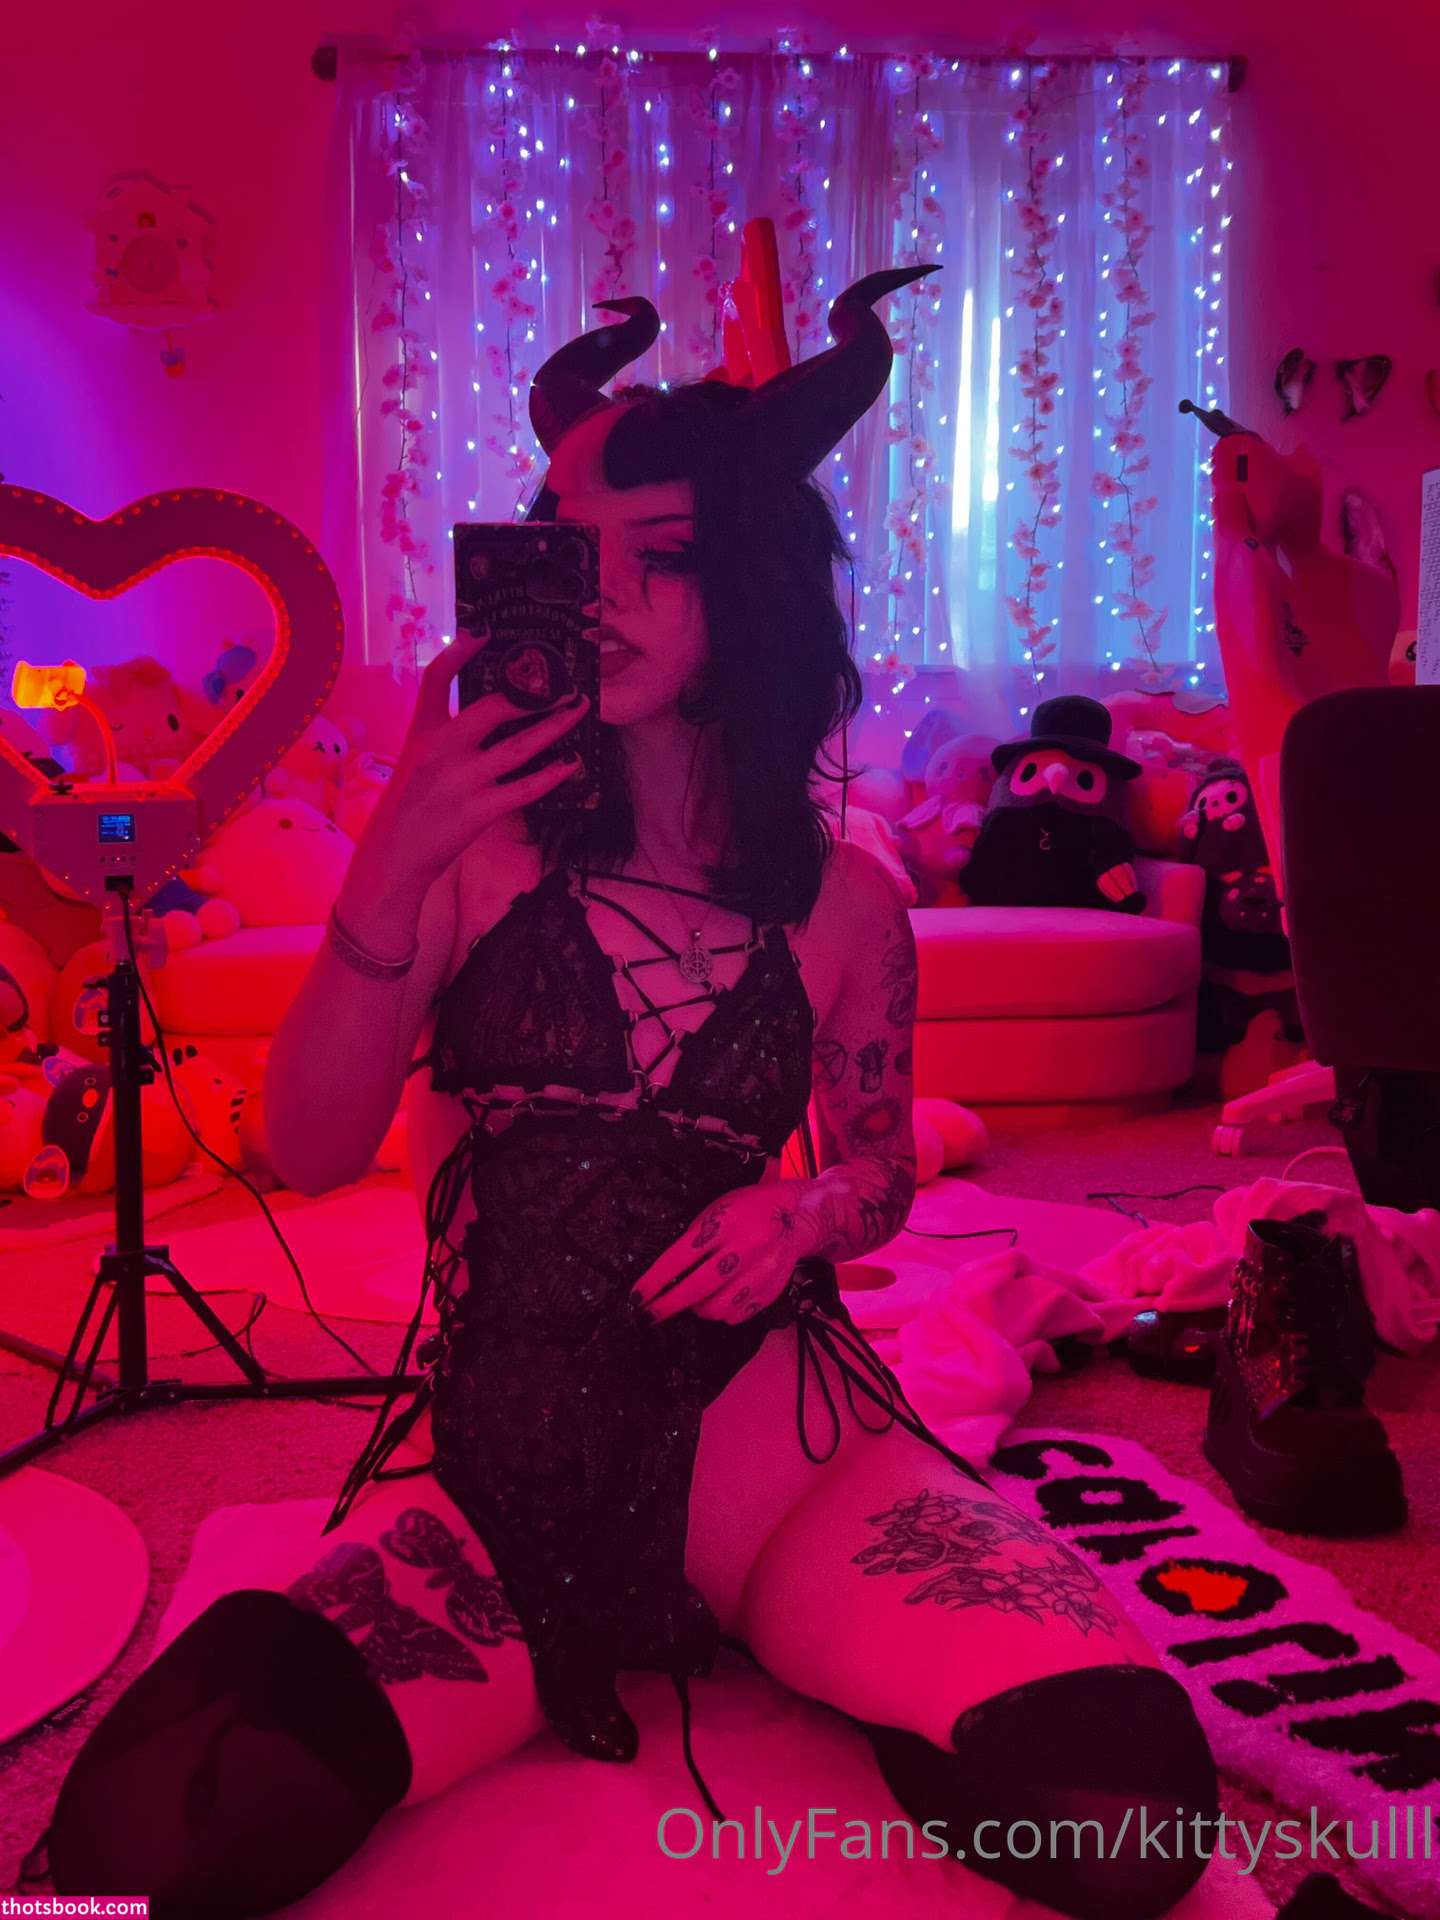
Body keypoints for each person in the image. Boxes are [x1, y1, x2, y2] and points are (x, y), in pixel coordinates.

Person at [42, 273, 1217, 1920]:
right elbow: (303, 1153)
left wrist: (802, 1207)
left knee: (1127, 1806)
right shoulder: (469, 852)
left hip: (786, 1471)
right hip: (499, 1496)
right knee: (147, 1832)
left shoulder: (850, 907)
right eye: (561, 542)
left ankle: (822, 1649)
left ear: (753, 587)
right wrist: (391, 858)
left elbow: (879, 1176)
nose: (596, 594)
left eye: (656, 554)